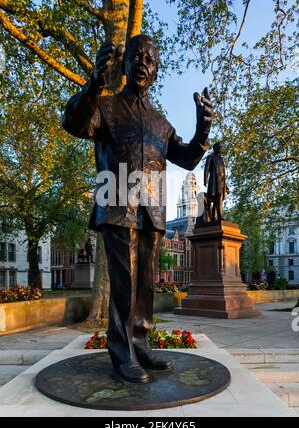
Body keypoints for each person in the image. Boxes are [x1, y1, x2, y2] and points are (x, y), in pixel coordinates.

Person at [63, 34, 213, 383]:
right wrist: (94, 82)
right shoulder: (106, 105)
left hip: (153, 210)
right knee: (124, 282)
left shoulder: (161, 123)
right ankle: (121, 352)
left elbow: (188, 158)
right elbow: (73, 123)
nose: (143, 63)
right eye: (137, 57)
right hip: (116, 203)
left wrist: (203, 130)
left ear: (157, 70)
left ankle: (140, 342)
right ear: (126, 63)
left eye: (150, 59)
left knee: (145, 281)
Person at [204, 142, 229, 222]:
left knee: (219, 199)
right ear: (215, 148)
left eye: (221, 147)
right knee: (217, 197)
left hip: (221, 182)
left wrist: (226, 186)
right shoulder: (210, 157)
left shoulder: (221, 159)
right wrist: (205, 179)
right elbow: (206, 168)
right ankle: (219, 216)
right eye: (219, 147)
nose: (221, 148)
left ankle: (215, 217)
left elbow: (223, 174)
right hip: (214, 180)